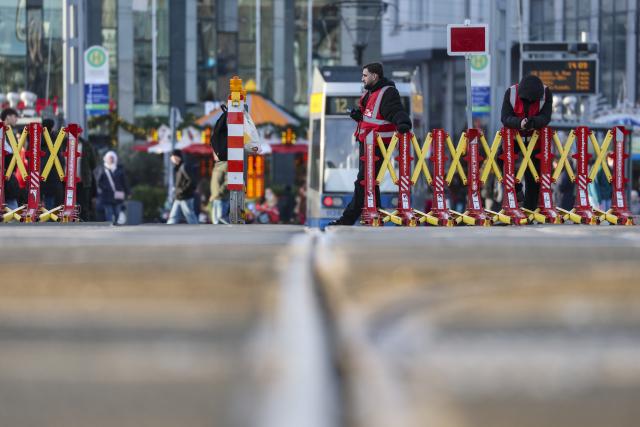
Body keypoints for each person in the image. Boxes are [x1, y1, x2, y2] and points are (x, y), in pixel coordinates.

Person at [329, 62, 412, 225]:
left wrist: (403, 124)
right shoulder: (370, 93)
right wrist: (358, 115)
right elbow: (371, 116)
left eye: (365, 75)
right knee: (370, 182)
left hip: (378, 146)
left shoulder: (387, 93)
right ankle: (376, 213)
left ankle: (347, 219)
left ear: (375, 76)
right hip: (367, 144)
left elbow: (396, 111)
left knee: (364, 181)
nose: (362, 79)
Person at [501, 74, 553, 210]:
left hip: (535, 140)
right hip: (514, 138)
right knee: (501, 160)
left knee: (533, 174)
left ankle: (530, 209)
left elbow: (546, 117)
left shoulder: (546, 94)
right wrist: (520, 123)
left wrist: (534, 122)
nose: (530, 102)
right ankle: (516, 190)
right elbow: (505, 117)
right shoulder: (511, 93)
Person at [167, 149, 198, 224]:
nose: (172, 159)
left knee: (190, 216)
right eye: (171, 158)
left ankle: (197, 230)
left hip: (186, 197)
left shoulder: (184, 167)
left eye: (173, 157)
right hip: (179, 197)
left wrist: (182, 190)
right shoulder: (178, 167)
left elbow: (192, 181)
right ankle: (168, 230)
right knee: (173, 217)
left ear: (178, 157)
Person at [96, 150, 129, 224]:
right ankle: (110, 224)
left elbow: (124, 182)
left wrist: (128, 192)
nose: (111, 159)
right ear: (106, 159)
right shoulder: (102, 169)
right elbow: (98, 182)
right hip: (106, 195)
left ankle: (116, 223)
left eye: (112, 158)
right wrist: (103, 188)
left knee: (117, 212)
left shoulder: (120, 170)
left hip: (118, 195)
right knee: (109, 211)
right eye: (109, 158)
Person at [1, 108, 20, 210]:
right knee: (11, 200)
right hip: (5, 171)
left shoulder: (9, 131)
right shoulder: (3, 130)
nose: (16, 119)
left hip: (8, 171)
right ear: (8, 116)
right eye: (15, 116)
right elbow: (10, 151)